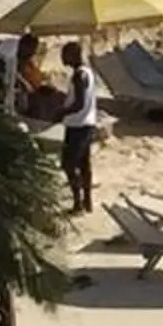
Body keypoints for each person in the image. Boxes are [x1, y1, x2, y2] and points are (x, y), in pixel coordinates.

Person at [58, 40, 102, 213]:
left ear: (73, 55)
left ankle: (78, 202)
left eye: (65, 54)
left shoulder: (79, 76)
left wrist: (62, 112)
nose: (62, 58)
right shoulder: (87, 73)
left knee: (68, 165)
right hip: (87, 124)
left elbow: (79, 104)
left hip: (77, 125)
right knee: (84, 165)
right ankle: (88, 201)